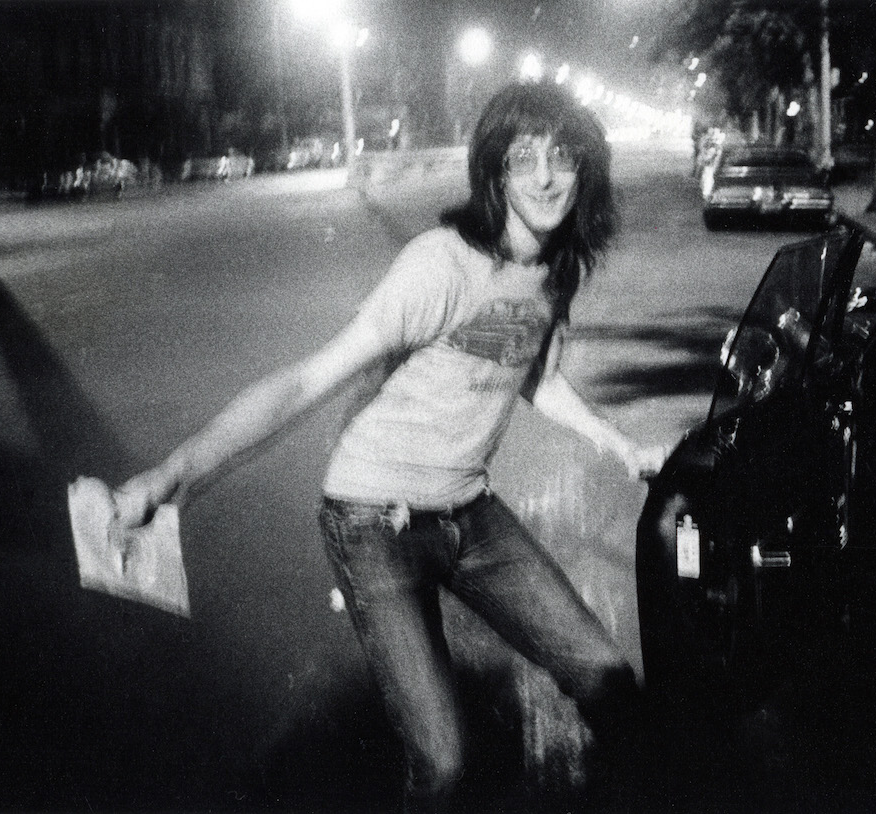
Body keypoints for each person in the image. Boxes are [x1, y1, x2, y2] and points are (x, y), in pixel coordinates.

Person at [111, 81, 667, 808]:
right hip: (373, 518)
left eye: (561, 157)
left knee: (607, 679)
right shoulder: (439, 264)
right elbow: (306, 381)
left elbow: (530, 371)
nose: (543, 177)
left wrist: (619, 445)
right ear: (495, 171)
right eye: (522, 157)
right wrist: (174, 472)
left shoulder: (554, 270)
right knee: (443, 764)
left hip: (470, 512)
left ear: (584, 169)